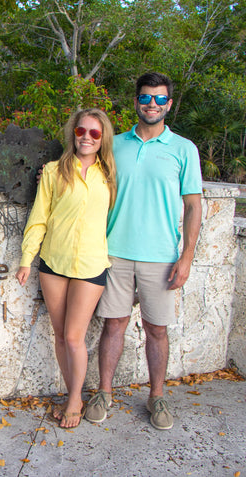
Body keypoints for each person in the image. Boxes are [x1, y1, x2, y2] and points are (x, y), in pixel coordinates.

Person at [84, 72, 202, 430]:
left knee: (157, 330)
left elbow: (194, 206)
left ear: (169, 104)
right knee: (114, 325)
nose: (152, 104)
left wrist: (186, 258)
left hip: (162, 257)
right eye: (146, 98)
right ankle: (104, 392)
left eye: (160, 99)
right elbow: (83, 173)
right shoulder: (114, 143)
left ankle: (157, 396)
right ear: (136, 102)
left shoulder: (184, 149)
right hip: (114, 252)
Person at [16, 108, 117, 429]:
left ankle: (75, 399)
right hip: (53, 263)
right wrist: (26, 260)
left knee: (74, 336)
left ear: (103, 140)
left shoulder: (111, 176)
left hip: (91, 265)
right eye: (81, 131)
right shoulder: (53, 172)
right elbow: (39, 217)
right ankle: (72, 394)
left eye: (94, 133)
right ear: (73, 133)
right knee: (60, 335)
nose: (86, 137)